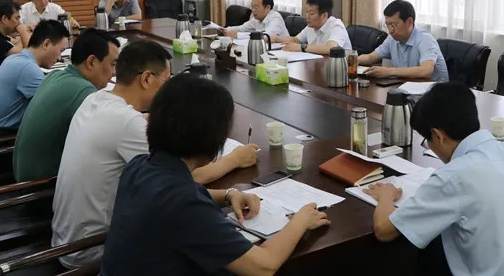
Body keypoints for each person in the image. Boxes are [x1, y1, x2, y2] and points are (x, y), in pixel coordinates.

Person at [53, 41, 260, 269]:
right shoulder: (128, 124)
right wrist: (234, 159)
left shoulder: (96, 98)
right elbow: (187, 177)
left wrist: (228, 194)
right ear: (146, 79)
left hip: (67, 237)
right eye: (166, 80)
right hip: (93, 249)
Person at [99, 73, 330, 276]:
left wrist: (228, 195)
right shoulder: (185, 205)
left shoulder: (139, 167)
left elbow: (171, 198)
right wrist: (300, 221)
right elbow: (263, 267)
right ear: (212, 139)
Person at [364, 81, 504, 276]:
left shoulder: (453, 177)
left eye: (427, 141)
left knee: (427, 252)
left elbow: (384, 230)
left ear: (438, 136)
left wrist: (386, 196)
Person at [13, 28, 118, 182]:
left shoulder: (56, 75)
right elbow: (111, 139)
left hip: (23, 176)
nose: (114, 72)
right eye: (113, 64)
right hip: (41, 186)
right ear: (91, 62)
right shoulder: (84, 90)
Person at [0, 20, 70, 132]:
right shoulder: (27, 68)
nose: (60, 58)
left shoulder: (16, 59)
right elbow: (53, 108)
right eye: (61, 51)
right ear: (46, 44)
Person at [358, 0, 449, 82]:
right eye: (387, 25)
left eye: (393, 25)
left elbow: (426, 71)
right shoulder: (392, 39)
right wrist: (354, 60)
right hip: (408, 87)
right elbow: (371, 57)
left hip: (435, 92)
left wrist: (389, 71)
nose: (390, 30)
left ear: (409, 22)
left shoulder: (425, 39)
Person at [272, 0, 351, 55]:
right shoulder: (311, 26)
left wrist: (302, 47)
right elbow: (296, 40)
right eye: (307, 12)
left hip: (342, 68)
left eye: (311, 13)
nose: (307, 16)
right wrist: (275, 38)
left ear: (324, 15)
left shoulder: (337, 26)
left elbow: (330, 48)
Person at [219, 0, 287, 39]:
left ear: (267, 7)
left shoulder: (276, 18)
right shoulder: (256, 19)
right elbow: (241, 28)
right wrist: (225, 29)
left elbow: (266, 36)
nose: (253, 10)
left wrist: (237, 35)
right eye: (252, 7)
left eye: (256, 7)